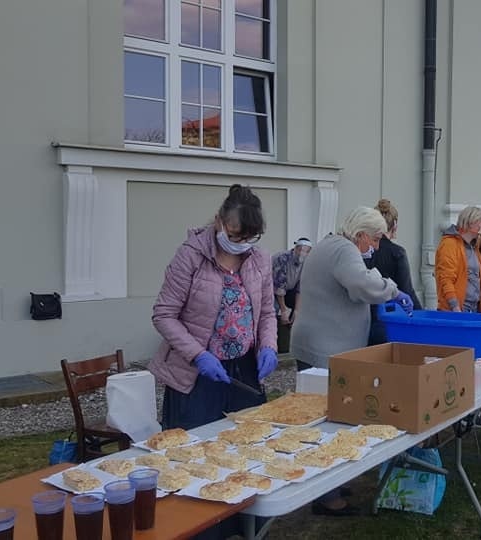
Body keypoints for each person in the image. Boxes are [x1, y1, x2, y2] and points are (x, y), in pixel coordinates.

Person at [290, 207, 413, 516]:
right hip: (327, 349)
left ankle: (327, 482)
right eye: (373, 241)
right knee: (330, 419)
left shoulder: (329, 244)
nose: (375, 247)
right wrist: (394, 291)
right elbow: (362, 285)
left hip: (315, 344)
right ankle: (326, 496)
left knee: (321, 416)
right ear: (360, 235)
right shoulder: (345, 250)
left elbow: (360, 277)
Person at [149, 184, 277, 431]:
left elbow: (268, 313)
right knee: (194, 449)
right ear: (219, 222)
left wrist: (269, 347)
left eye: (249, 238)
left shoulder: (259, 260)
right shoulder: (191, 256)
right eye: (234, 235)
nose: (241, 243)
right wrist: (198, 355)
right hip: (198, 374)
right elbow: (164, 315)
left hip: (244, 370)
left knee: (249, 442)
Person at [366, 199, 422, 345]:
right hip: (390, 320)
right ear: (395, 225)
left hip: (363, 319)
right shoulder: (397, 253)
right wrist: (420, 316)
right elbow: (407, 290)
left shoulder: (363, 249)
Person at [436, 206, 481, 313]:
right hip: (456, 311)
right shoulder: (449, 244)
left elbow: (476, 278)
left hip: (474, 309)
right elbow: (446, 279)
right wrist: (455, 306)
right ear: (471, 222)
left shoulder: (474, 247)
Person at [272, 237, 312, 325]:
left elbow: (300, 287)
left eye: (306, 251)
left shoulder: (307, 263)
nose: (302, 253)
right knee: (274, 310)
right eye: (299, 249)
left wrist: (297, 310)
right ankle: (276, 332)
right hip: (272, 290)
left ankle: (290, 327)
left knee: (301, 308)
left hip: (289, 289)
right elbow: (279, 286)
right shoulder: (282, 258)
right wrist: (283, 310)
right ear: (295, 248)